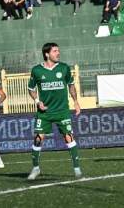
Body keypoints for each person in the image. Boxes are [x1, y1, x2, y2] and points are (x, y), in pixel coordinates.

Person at [27, 43, 82, 180]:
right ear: (47, 54)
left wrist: (75, 102)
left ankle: (77, 169)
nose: (58, 53)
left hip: (62, 111)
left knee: (68, 137)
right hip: (44, 113)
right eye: (55, 51)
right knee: (38, 139)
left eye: (58, 50)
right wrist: (37, 102)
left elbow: (71, 85)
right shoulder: (37, 70)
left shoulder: (64, 68)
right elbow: (31, 89)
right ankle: (35, 168)